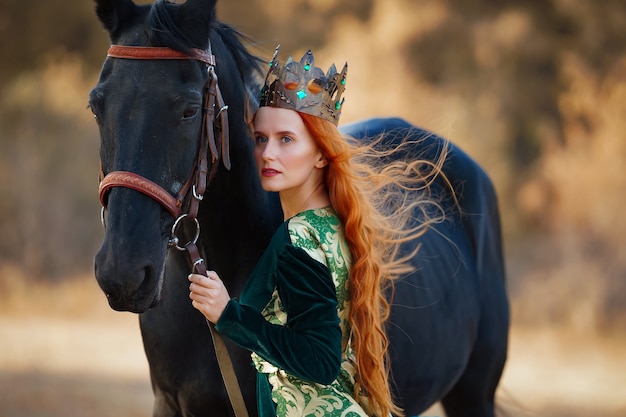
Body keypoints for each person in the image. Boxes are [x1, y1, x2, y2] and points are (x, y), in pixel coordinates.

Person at [188, 47, 445, 417]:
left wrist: (229, 314)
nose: (267, 154)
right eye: (260, 138)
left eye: (286, 140)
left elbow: (320, 360)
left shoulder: (297, 238)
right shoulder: (334, 223)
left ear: (321, 154)